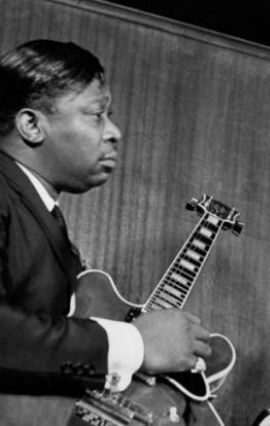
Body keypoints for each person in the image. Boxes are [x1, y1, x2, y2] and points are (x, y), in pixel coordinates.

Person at [0, 40, 212, 398]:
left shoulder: (40, 212)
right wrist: (135, 344)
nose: (115, 131)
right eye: (97, 114)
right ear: (32, 125)